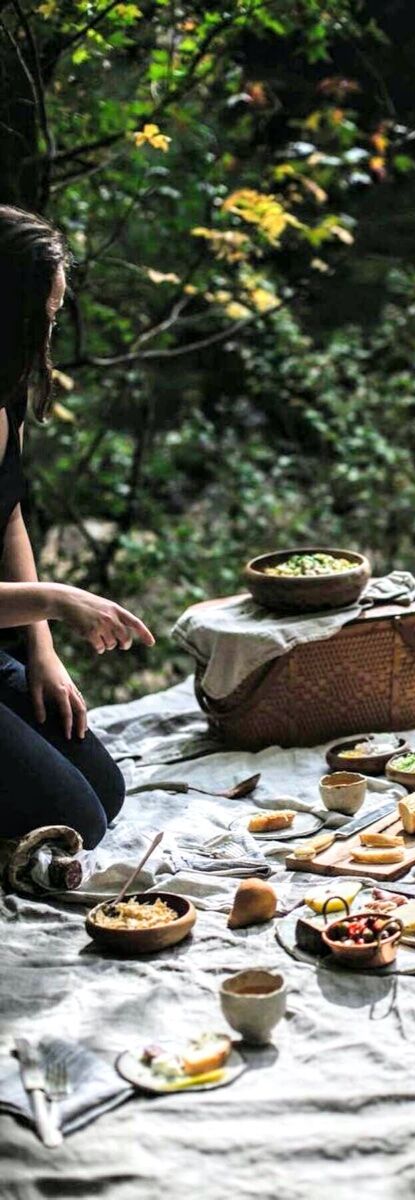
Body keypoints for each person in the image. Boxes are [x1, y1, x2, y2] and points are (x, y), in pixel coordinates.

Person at [0, 205, 154, 849]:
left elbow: (5, 516)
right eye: (49, 314)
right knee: (75, 822)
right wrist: (59, 601)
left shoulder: (5, 392)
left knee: (104, 792)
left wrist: (41, 650)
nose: (53, 328)